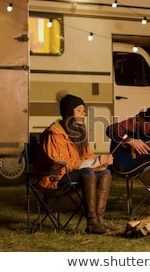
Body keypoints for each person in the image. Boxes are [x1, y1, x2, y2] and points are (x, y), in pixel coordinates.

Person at [33, 90, 120, 235]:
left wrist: (102, 161)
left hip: (72, 175)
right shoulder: (54, 134)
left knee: (105, 172)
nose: (83, 114)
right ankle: (92, 222)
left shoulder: (78, 134)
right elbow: (60, 161)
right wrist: (93, 162)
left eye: (84, 111)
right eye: (79, 110)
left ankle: (99, 221)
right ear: (69, 113)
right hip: (54, 178)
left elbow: (88, 157)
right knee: (88, 171)